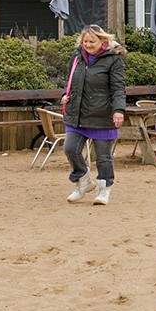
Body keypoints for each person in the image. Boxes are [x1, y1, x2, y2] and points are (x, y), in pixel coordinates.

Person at [61, 25, 127, 206]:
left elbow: (118, 88)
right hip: (77, 114)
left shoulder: (114, 59)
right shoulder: (76, 57)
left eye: (92, 41)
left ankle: (104, 189)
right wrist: (65, 95)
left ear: (103, 41)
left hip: (102, 115)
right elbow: (71, 81)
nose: (88, 45)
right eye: (85, 41)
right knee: (70, 149)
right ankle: (83, 180)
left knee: (103, 157)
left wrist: (119, 110)